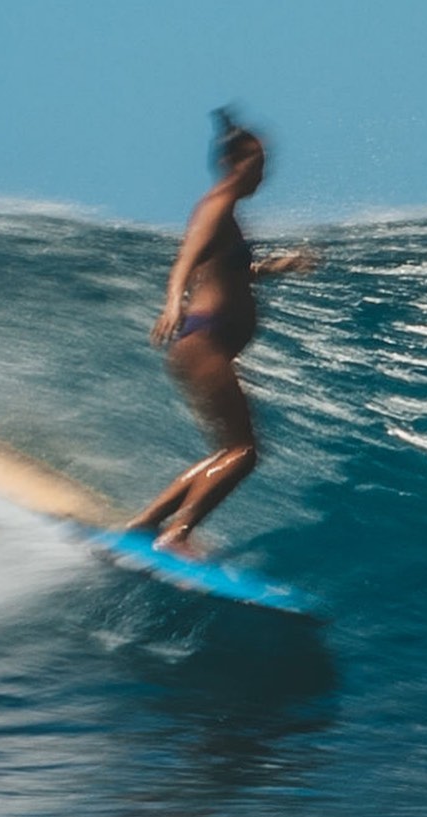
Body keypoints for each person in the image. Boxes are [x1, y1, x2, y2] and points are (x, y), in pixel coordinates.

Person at [126, 108, 313, 554]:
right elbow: (187, 257)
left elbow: (227, 271)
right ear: (233, 163)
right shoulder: (217, 205)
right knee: (244, 453)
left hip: (206, 343)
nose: (263, 175)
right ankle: (176, 534)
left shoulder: (228, 216)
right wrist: (172, 300)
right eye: (257, 164)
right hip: (203, 339)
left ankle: (147, 524)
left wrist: (275, 267)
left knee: (229, 451)